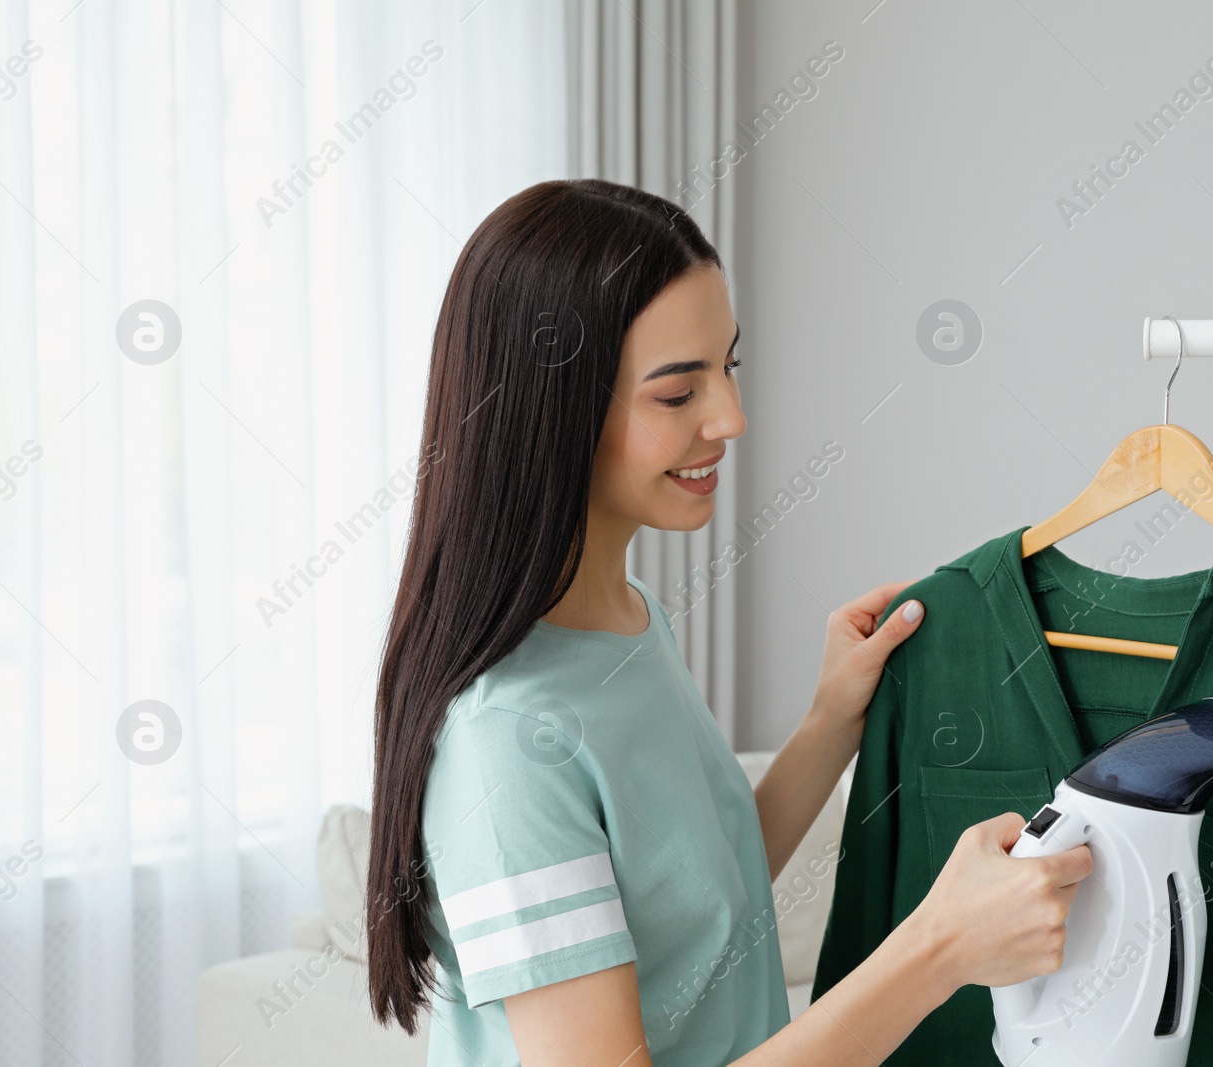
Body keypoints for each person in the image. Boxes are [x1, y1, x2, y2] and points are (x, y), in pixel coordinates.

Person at [364, 178, 1092, 1067]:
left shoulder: (628, 623)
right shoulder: (508, 741)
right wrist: (939, 949)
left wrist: (830, 722)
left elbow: (702, 901)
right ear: (554, 412)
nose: (731, 418)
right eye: (678, 394)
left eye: (729, 367)